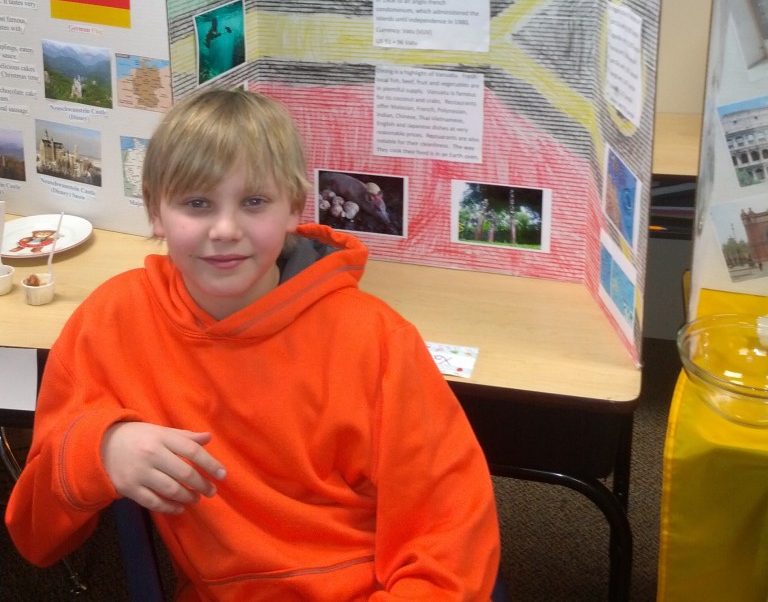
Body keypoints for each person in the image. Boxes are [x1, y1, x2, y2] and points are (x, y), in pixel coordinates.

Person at [6, 88, 500, 601]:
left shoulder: (376, 340)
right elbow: (34, 535)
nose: (225, 230)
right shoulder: (112, 324)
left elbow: (450, 536)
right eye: (197, 203)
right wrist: (100, 452)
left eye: (254, 202)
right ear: (155, 211)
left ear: (293, 209)